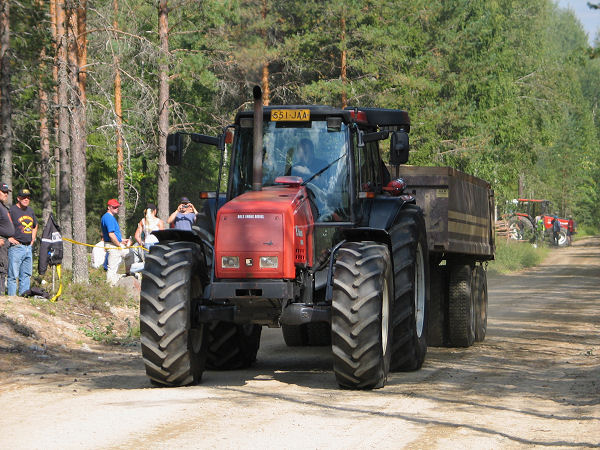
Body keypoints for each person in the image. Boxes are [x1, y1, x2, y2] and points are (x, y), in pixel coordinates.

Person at [7, 189, 38, 296]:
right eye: (23, 197)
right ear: (18, 198)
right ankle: (12, 300)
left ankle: (23, 298)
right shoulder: (12, 210)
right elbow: (4, 225)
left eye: (28, 197)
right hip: (16, 247)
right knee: (12, 275)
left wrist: (33, 239)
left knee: (26, 275)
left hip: (28, 248)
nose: (26, 199)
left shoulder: (30, 211)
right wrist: (9, 238)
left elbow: (35, 225)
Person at [101, 198, 131, 285]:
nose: (116, 208)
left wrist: (122, 240)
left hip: (113, 243)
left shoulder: (108, 217)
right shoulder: (108, 218)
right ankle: (110, 286)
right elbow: (111, 235)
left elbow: (112, 235)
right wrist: (118, 244)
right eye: (114, 207)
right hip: (112, 245)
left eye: (117, 207)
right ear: (109, 207)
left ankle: (128, 274)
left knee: (130, 254)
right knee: (112, 267)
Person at [0, 183, 15, 294]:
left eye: (7, 192)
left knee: (4, 267)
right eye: (3, 192)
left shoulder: (3, 207)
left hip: (5, 241)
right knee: (1, 267)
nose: (6, 194)